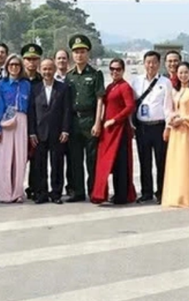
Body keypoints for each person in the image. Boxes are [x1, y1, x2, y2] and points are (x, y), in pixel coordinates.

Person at [65, 34, 104, 202]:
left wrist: (97, 122)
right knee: (75, 159)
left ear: (88, 54)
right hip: (74, 121)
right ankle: (78, 191)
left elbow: (100, 99)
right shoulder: (69, 76)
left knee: (92, 159)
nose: (79, 55)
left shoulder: (96, 74)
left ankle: (94, 191)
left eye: (82, 52)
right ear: (72, 55)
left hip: (90, 120)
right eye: (76, 52)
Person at [92, 58, 136, 205]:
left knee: (121, 163)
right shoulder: (110, 86)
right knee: (108, 162)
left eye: (118, 69)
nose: (114, 72)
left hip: (120, 130)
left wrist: (114, 120)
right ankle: (103, 193)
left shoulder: (125, 87)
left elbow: (130, 106)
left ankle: (122, 195)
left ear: (123, 70)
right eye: (112, 69)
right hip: (109, 131)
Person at [28, 54, 71, 204]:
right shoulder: (34, 88)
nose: (47, 72)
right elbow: (31, 112)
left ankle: (56, 193)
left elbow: (67, 110)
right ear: (40, 70)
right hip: (39, 133)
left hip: (57, 132)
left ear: (54, 70)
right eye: (44, 69)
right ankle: (41, 193)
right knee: (40, 165)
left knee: (57, 164)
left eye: (50, 69)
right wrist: (31, 132)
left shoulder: (63, 88)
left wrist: (65, 130)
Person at [132, 50, 172, 203]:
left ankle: (161, 192)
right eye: (148, 62)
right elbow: (132, 104)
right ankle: (146, 192)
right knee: (144, 161)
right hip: (142, 127)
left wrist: (167, 127)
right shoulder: (136, 81)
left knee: (161, 161)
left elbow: (168, 107)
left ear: (159, 64)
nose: (151, 65)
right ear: (144, 63)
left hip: (159, 126)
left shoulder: (165, 82)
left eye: (154, 62)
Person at [162, 61, 189, 209]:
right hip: (176, 131)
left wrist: (184, 119)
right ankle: (174, 195)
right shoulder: (175, 91)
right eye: (180, 73)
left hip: (188, 131)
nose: (183, 75)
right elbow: (171, 109)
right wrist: (171, 121)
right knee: (175, 162)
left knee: (186, 162)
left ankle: (187, 196)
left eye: (186, 72)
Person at [0, 55, 31, 203]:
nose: (14, 67)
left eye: (17, 65)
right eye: (11, 65)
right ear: (7, 66)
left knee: (20, 158)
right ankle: (5, 192)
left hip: (22, 119)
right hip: (6, 119)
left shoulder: (26, 84)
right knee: (4, 157)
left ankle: (17, 192)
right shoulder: (0, 84)